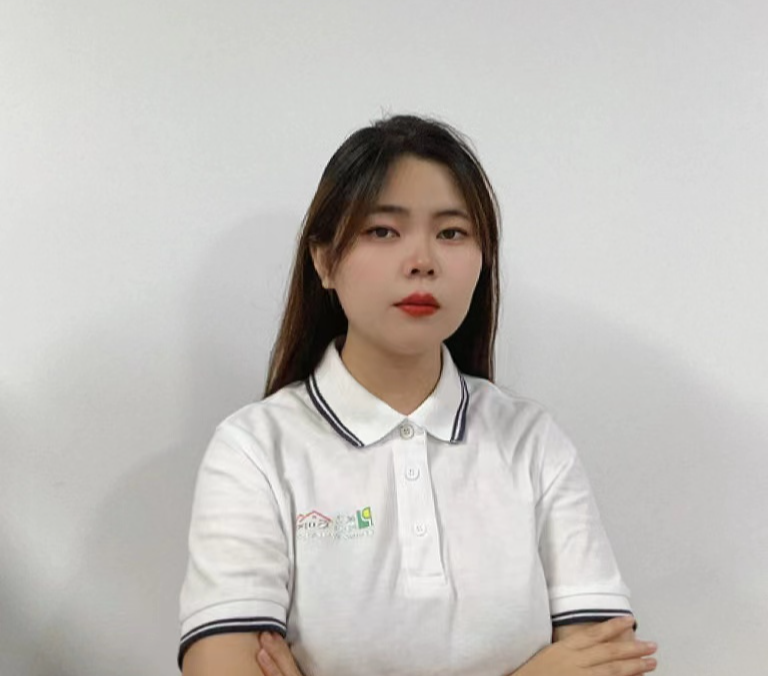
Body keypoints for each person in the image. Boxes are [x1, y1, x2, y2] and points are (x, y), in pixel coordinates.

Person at [178, 115, 658, 676]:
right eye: (383, 231)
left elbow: (609, 661)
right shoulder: (255, 449)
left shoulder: (532, 442)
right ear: (324, 260)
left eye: (451, 233)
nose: (422, 260)